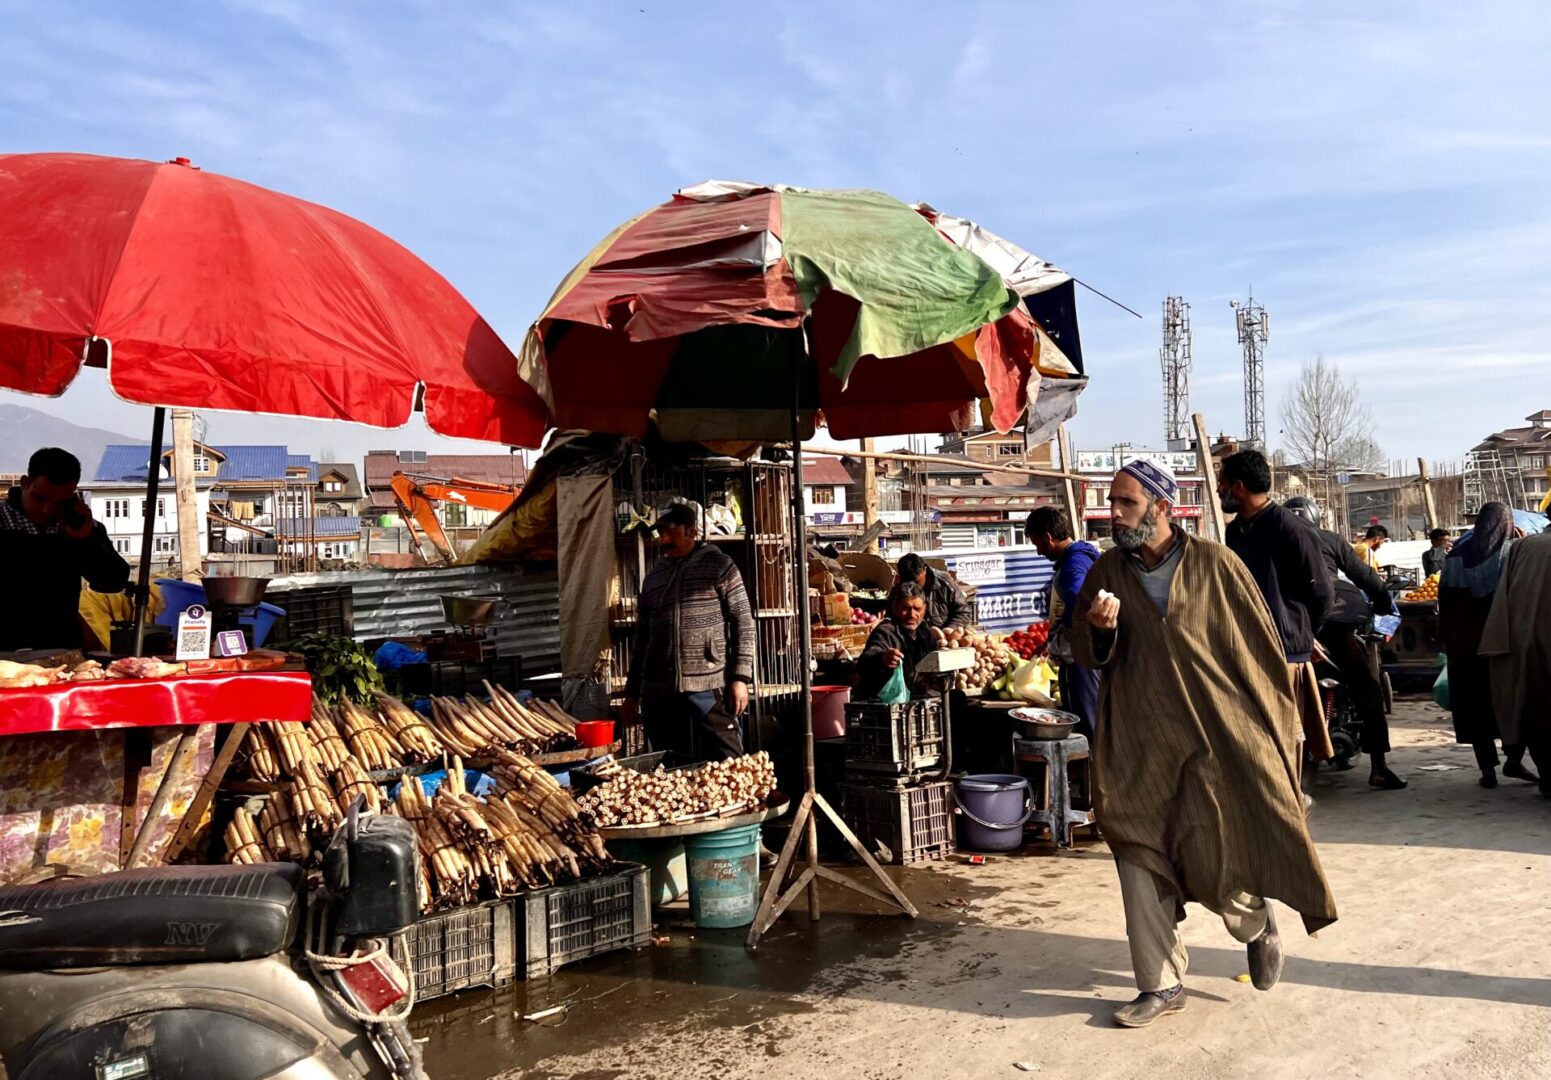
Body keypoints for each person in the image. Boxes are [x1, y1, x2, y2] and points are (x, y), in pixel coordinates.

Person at [1070, 459, 1337, 1029]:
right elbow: (1086, 653)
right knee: (1136, 848)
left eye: (1127, 504)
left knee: (1218, 854)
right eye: (1112, 503)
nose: (1114, 514)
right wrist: (1099, 629)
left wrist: (1269, 731)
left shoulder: (1217, 565)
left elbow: (1258, 652)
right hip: (1140, 743)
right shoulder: (1104, 575)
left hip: (1216, 737)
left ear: (1164, 508)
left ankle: (1255, 924)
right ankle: (1160, 985)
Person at [1218, 451, 1335, 773]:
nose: (1218, 490)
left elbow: (1322, 592)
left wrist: (1302, 633)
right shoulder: (1236, 531)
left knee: (1285, 747)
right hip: (1247, 650)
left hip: (1285, 654)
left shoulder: (1289, 528)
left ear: (1238, 487)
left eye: (1221, 483)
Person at [1283, 496, 1406, 789]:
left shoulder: (1273, 542)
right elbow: (1365, 577)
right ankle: (1378, 767)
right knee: (1367, 690)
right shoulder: (1329, 539)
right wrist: (1382, 602)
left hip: (1289, 628)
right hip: (1336, 626)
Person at [623, 503, 756, 764]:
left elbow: (743, 621)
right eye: (661, 533)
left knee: (728, 760)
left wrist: (741, 677)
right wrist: (632, 693)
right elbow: (642, 639)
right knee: (670, 765)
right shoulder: (654, 578)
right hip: (659, 690)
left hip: (707, 685)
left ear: (692, 531)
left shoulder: (720, 566)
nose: (664, 539)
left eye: (670, 532)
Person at [1438, 502, 1534, 788]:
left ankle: (1487, 772)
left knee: (1474, 705)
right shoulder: (1512, 553)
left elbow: (1444, 602)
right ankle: (1513, 760)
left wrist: (1446, 641)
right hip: (1502, 643)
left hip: (1465, 647)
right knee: (1511, 702)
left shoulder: (1455, 555)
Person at [0, 447, 131, 652]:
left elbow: (113, 582)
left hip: (61, 650)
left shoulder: (84, 529)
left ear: (73, 495)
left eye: (59, 502)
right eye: (40, 498)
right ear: (25, 483)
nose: (47, 510)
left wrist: (85, 540)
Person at [1480, 530, 1551, 795]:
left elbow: (1503, 596)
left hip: (1525, 640)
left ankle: (1548, 775)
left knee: (1536, 709)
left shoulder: (1522, 547)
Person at [1023, 505, 1101, 739]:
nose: (1038, 552)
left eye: (1037, 544)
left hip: (1081, 660)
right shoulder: (1082, 557)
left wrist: (1067, 633)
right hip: (1082, 656)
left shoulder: (1073, 566)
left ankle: (1092, 773)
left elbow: (1078, 599)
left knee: (1086, 727)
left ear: (1048, 537)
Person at [855, 581, 941, 699]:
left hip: (915, 700)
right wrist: (882, 659)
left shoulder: (926, 635)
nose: (912, 614)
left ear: (924, 610)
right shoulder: (886, 632)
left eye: (917, 609)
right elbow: (866, 660)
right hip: (885, 702)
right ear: (896, 608)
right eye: (905, 608)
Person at [895, 551, 972, 631]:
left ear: (924, 570)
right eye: (907, 582)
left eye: (916, 582)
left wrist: (948, 631)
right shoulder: (899, 586)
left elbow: (963, 612)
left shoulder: (944, 582)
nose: (912, 586)